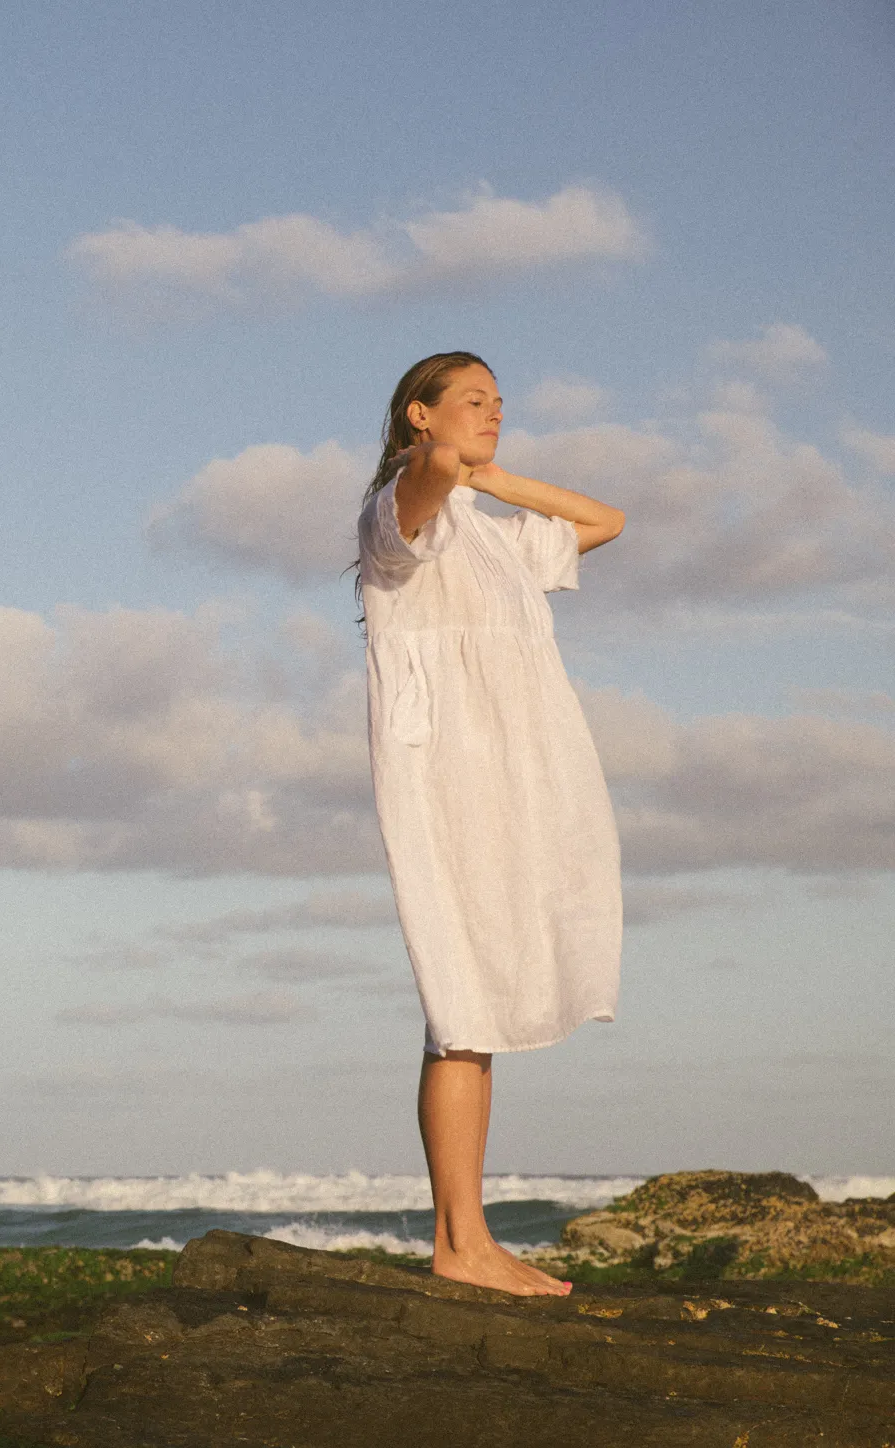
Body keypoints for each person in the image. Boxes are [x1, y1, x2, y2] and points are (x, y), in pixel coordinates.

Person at [355, 352, 626, 1297]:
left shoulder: (488, 535)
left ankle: (466, 1240)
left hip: (511, 783)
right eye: (474, 401)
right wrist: (444, 456)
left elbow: (607, 521)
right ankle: (461, 1247)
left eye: (503, 404)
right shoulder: (401, 514)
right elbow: (427, 478)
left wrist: (495, 474)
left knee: (476, 1019)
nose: (495, 415)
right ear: (419, 416)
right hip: (446, 782)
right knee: (461, 1006)